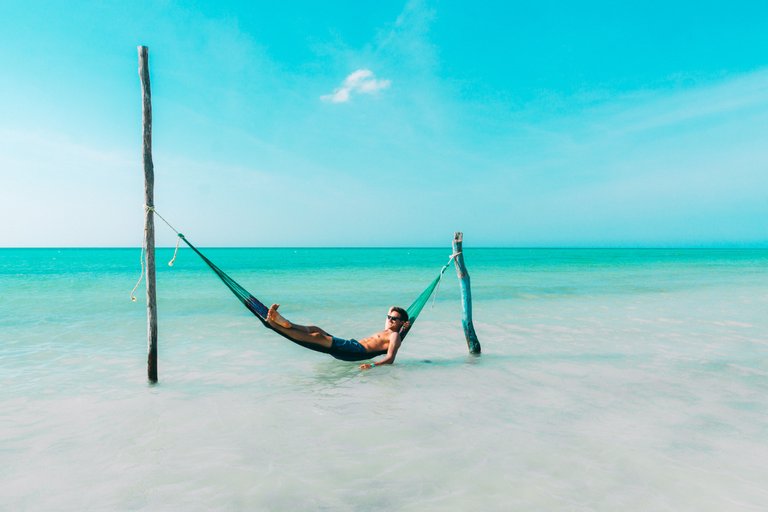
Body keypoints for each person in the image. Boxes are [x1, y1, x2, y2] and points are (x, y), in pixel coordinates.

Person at [266, 304, 410, 369]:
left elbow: (390, 359)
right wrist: (403, 324)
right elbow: (391, 308)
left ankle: (275, 325)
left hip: (355, 351)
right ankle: (287, 324)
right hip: (352, 345)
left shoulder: (395, 336)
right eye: (389, 317)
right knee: (316, 329)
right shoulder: (388, 329)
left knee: (318, 337)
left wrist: (372, 365)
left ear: (400, 322)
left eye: (393, 319)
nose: (390, 319)